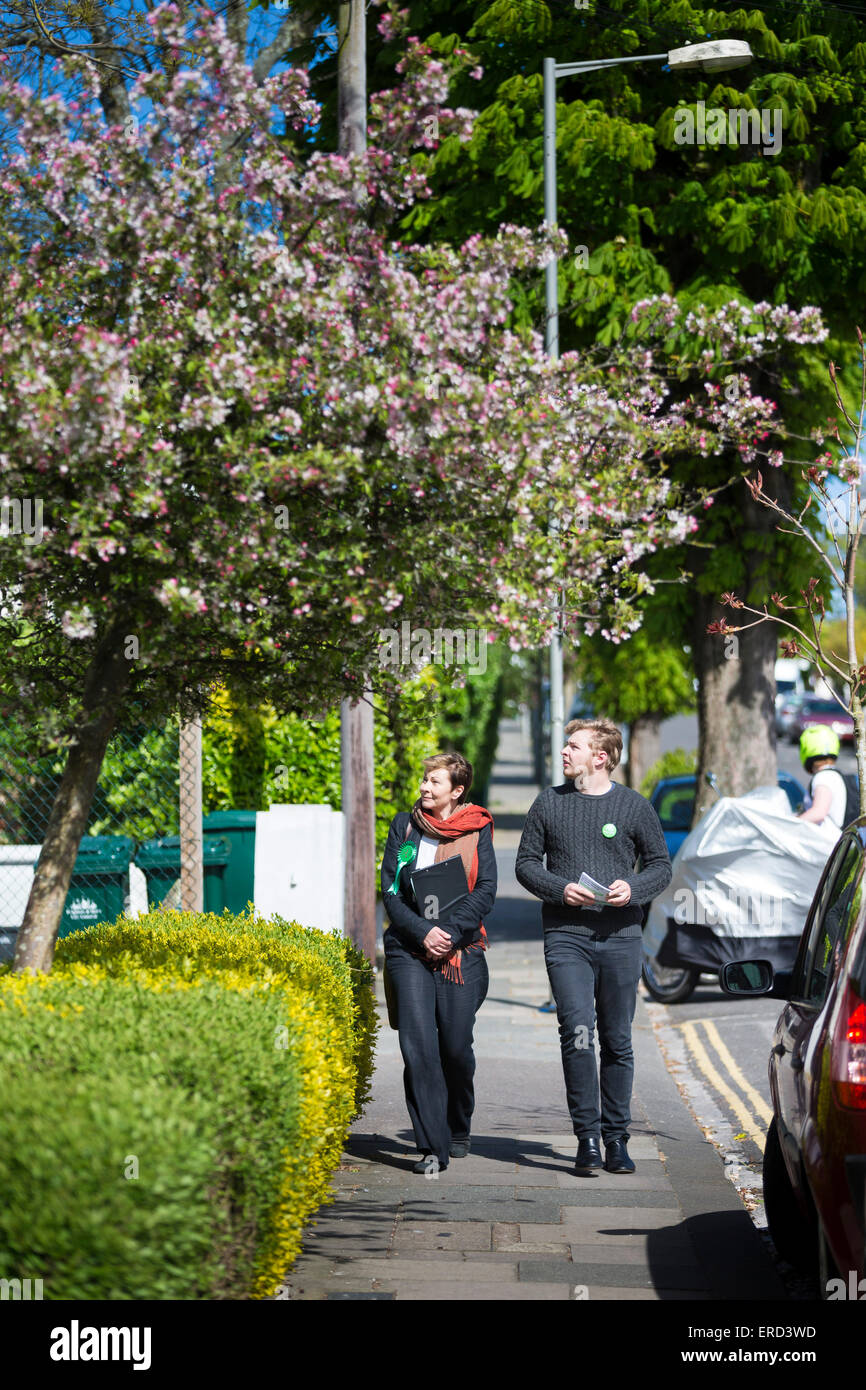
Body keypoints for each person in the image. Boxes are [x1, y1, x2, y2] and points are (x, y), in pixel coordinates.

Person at [515, 718, 671, 1175]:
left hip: (622, 936)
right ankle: (586, 1137)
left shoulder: (634, 806)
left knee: (618, 1040)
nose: (565, 752)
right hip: (567, 936)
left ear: (600, 757)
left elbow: (660, 865)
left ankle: (617, 1140)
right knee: (578, 1034)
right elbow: (526, 865)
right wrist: (560, 889)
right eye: (566, 745)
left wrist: (634, 888)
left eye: (574, 746)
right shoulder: (548, 803)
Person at [380, 752, 496, 1174]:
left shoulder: (477, 827)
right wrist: (422, 932)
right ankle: (432, 1145)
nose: (425, 788)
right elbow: (390, 891)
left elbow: (485, 890)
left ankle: (458, 1126)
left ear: (457, 791)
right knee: (418, 1045)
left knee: (455, 1048)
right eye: (424, 780)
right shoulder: (405, 825)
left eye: (435, 782)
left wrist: (447, 931)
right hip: (409, 947)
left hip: (459, 951)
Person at [797, 726, 847, 831]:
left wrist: (789, 824)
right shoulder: (834, 776)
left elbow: (818, 813)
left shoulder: (823, 777)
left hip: (825, 844)